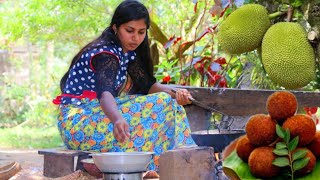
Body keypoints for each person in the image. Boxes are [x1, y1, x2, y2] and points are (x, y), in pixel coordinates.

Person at [53, 0, 196, 174]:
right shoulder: (106, 54)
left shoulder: (127, 54)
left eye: (141, 32)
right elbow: (105, 94)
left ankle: (182, 162)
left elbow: (148, 87)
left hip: (96, 115)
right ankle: (159, 166)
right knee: (163, 101)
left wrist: (178, 93)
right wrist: (117, 119)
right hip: (78, 123)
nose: (135, 37)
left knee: (171, 102)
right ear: (115, 27)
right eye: (129, 31)